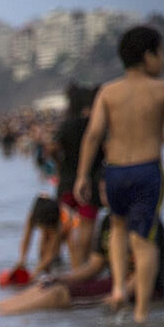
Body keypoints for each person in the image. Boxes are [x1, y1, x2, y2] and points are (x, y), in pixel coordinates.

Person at [74, 25, 164, 321]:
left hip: (115, 172)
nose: (162, 60)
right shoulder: (162, 88)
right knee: (144, 241)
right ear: (148, 55)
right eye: (161, 53)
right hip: (147, 171)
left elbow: (93, 135)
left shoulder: (108, 91)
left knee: (118, 227)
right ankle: (142, 311)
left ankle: (119, 287)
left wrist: (83, 175)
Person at [0, 213, 164, 317]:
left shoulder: (147, 221)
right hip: (116, 282)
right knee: (48, 285)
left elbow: (145, 271)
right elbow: (95, 265)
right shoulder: (109, 222)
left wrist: (120, 295)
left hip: (142, 290)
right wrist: (63, 277)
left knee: (58, 295)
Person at [53, 84, 103, 267]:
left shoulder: (66, 125)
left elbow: (52, 148)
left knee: (68, 226)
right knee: (88, 225)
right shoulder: (95, 125)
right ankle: (86, 264)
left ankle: (74, 266)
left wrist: (59, 164)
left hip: (66, 182)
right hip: (90, 182)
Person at [13, 195, 65, 278]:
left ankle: (53, 274)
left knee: (52, 254)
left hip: (68, 224)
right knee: (42, 252)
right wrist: (22, 260)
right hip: (49, 216)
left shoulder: (56, 223)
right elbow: (26, 238)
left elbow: (50, 254)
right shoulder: (33, 215)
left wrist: (34, 273)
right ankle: (46, 274)